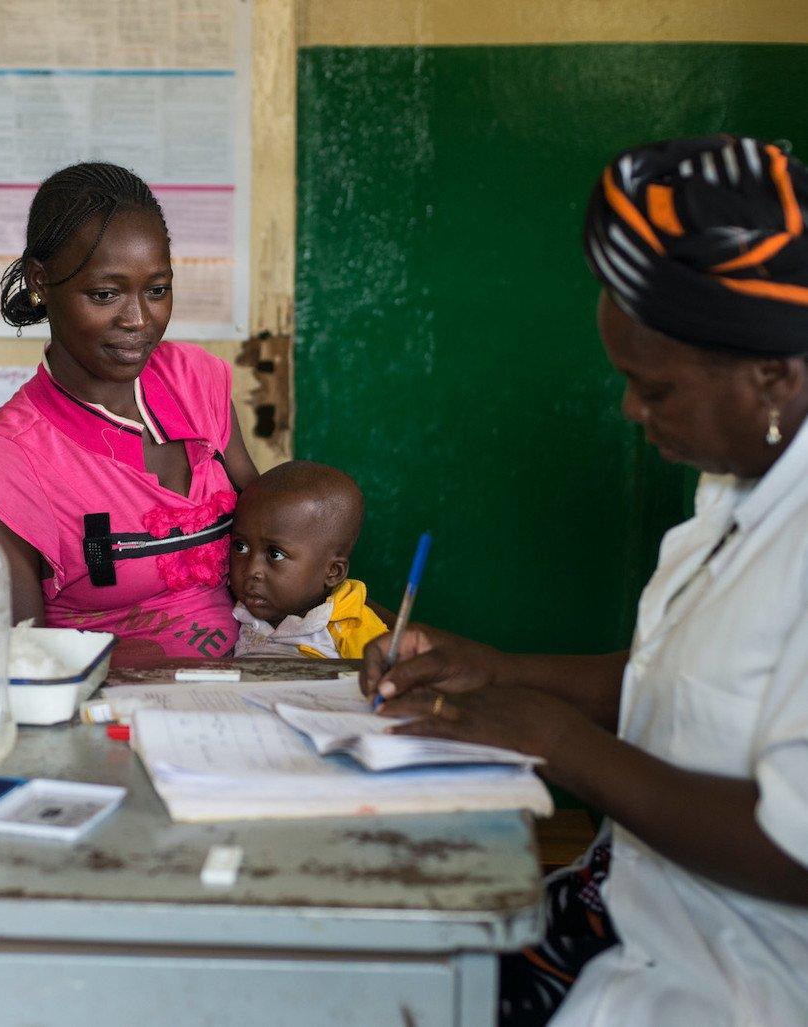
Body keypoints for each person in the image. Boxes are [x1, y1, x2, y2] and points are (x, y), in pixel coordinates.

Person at [363, 135, 808, 1025]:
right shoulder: (737, 480)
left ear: (772, 375)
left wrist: (564, 745)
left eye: (653, 387)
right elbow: (675, 684)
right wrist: (497, 669)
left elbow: (795, 849)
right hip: (619, 907)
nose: (630, 410)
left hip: (731, 977)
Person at [0, 162, 259, 660]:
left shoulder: (197, 381)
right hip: (116, 710)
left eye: (157, 290)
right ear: (40, 282)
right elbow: (20, 663)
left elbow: (267, 530)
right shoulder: (9, 463)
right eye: (106, 294)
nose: (138, 320)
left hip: (252, 676)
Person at [229, 460, 387, 659]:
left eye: (275, 554)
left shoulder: (351, 628)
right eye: (240, 547)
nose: (251, 570)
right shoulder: (235, 611)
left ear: (332, 572)